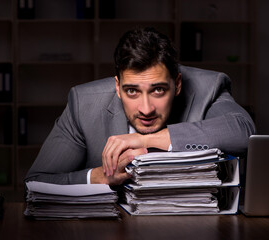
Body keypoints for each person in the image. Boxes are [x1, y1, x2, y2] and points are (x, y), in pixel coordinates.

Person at [25, 27, 255, 186]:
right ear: (118, 87)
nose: (146, 109)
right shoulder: (84, 103)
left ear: (177, 84)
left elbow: (245, 133)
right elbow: (35, 183)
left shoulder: (208, 87)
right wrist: (98, 176)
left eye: (158, 90)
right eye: (132, 91)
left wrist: (145, 140)